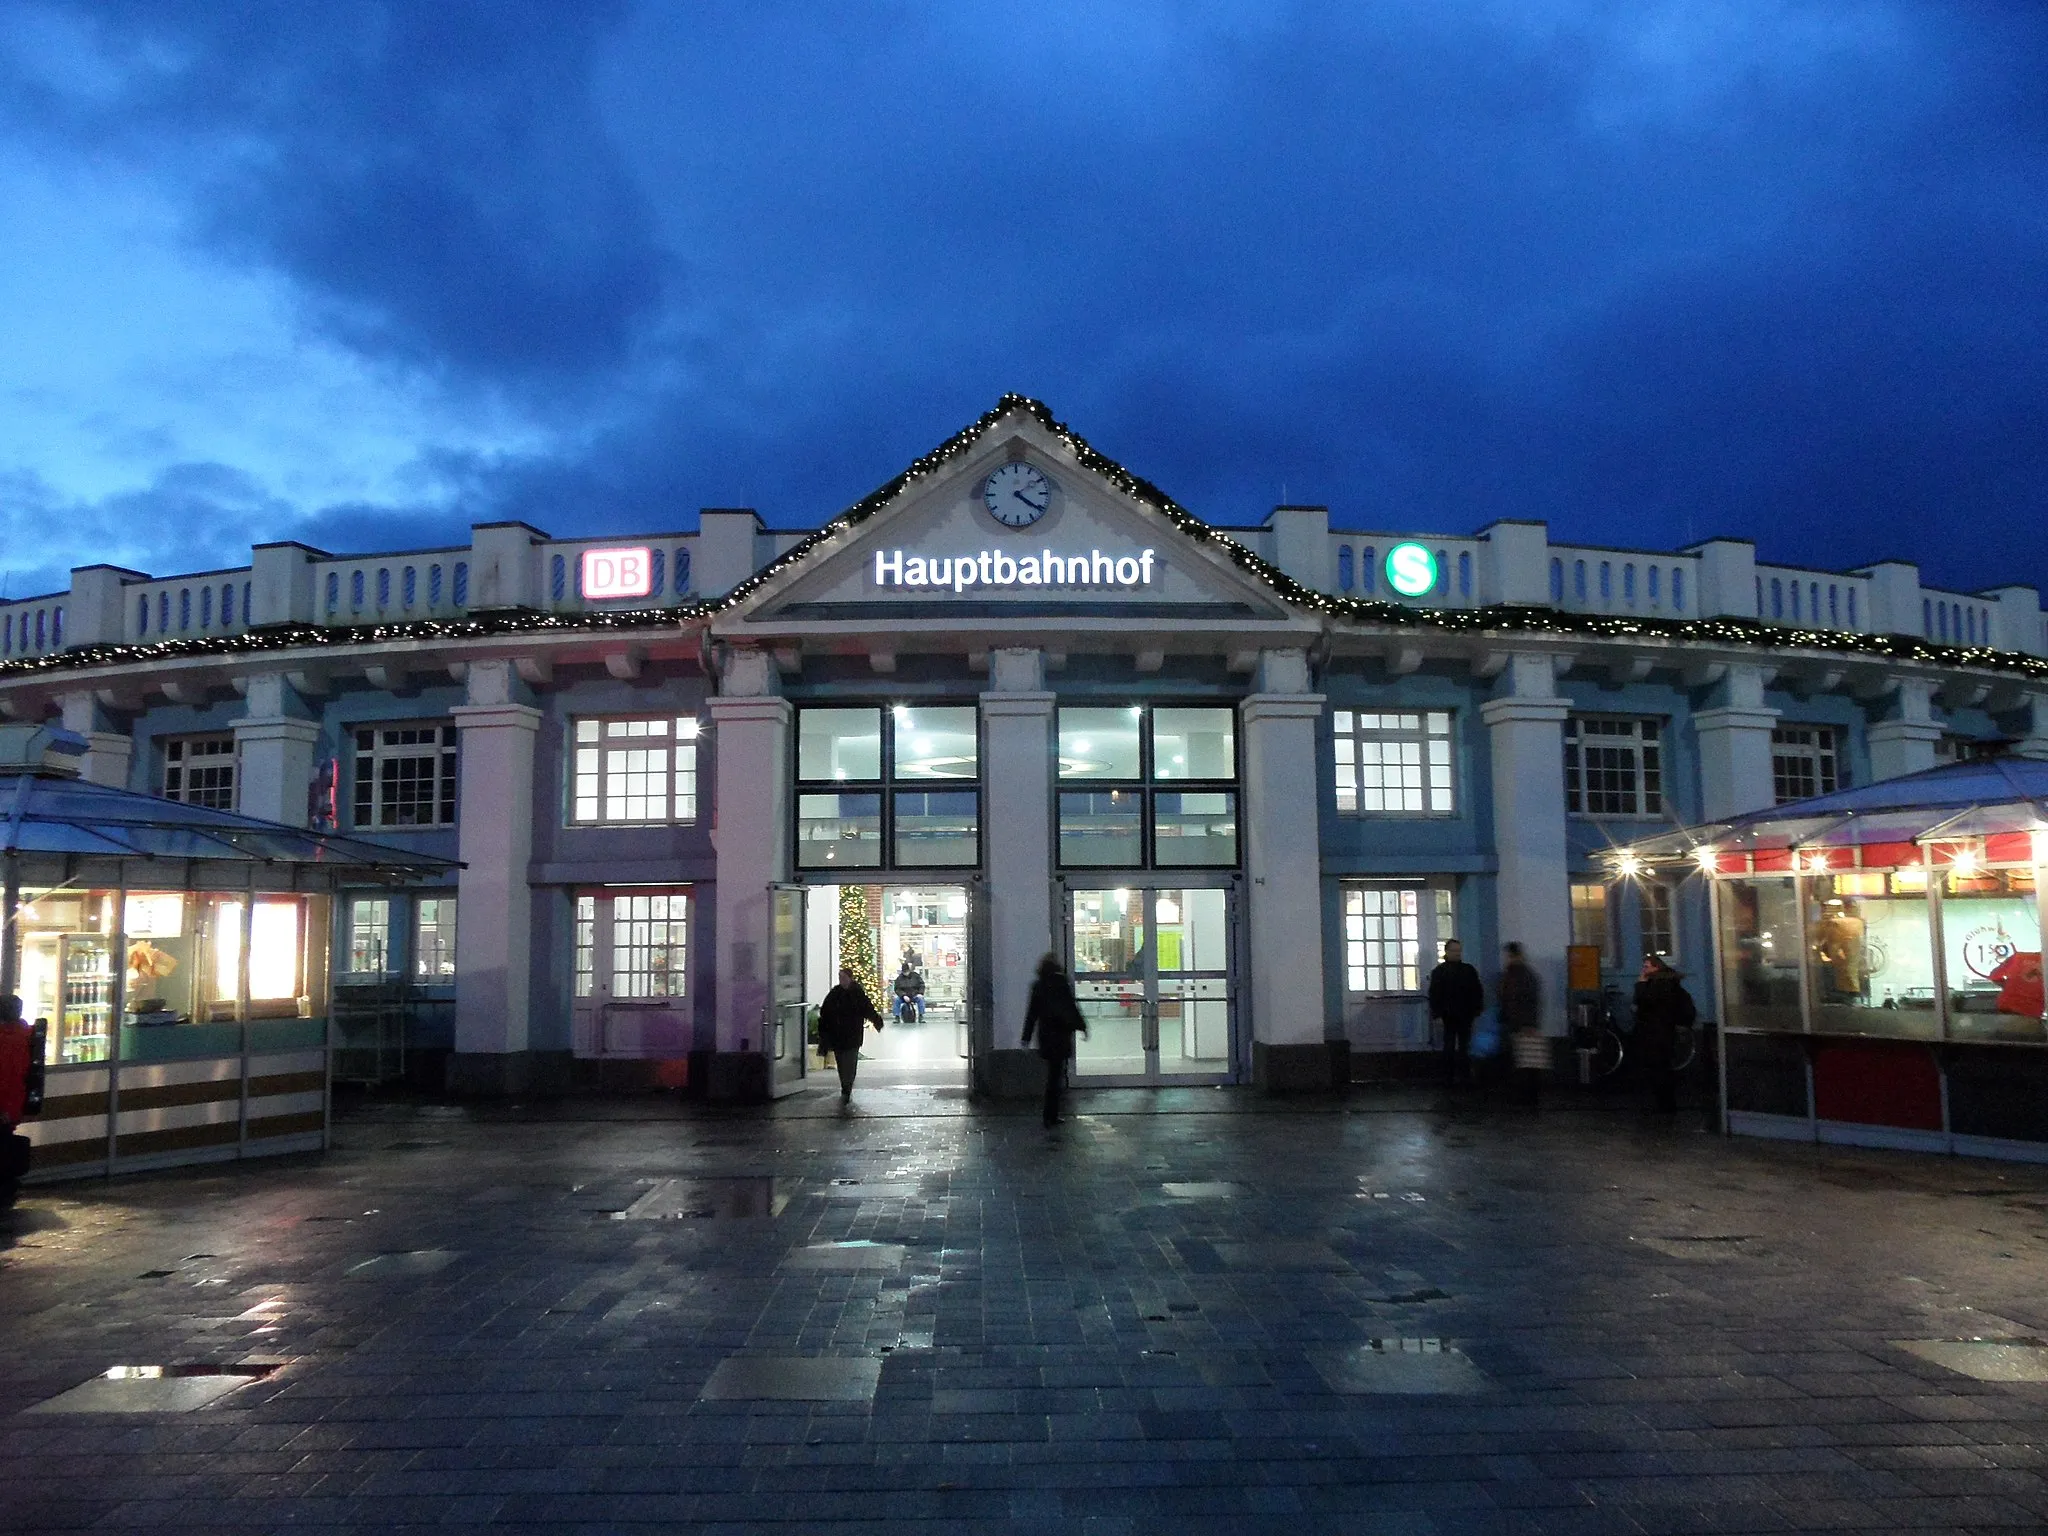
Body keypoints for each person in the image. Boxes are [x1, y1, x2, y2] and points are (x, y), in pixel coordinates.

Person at [1021, 952, 1087, 1129]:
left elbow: (1031, 1014)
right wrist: (1083, 1027)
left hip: (1046, 1036)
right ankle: (1052, 1115)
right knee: (1056, 1076)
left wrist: (1025, 1038)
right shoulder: (1061, 983)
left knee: (1052, 1075)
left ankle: (1048, 1115)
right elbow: (1072, 1008)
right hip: (1061, 1035)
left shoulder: (1038, 986)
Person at [1632, 953, 1696, 1114]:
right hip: (1664, 1030)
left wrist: (1640, 984)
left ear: (1656, 967)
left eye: (1647, 966)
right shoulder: (1670, 983)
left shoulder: (1657, 984)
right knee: (1662, 1066)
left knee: (1658, 1067)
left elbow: (1646, 1002)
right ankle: (1665, 1103)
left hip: (1656, 1031)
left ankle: (1664, 1104)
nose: (1644, 969)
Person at [818, 965, 883, 1105]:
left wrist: (876, 1020)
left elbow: (867, 1008)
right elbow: (825, 1012)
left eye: (843, 977)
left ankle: (847, 1087)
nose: (841, 980)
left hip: (852, 1034)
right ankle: (845, 1086)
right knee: (842, 1062)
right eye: (840, 977)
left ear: (850, 978)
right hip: (838, 1035)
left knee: (850, 1062)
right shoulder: (836, 993)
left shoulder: (856, 993)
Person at [1426, 939, 1485, 1084]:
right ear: (1447, 951)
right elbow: (1477, 991)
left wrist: (1437, 1013)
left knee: (1452, 1046)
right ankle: (1460, 1076)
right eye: (1455, 950)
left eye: (1458, 950)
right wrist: (1477, 1009)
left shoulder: (1440, 972)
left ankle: (1451, 1077)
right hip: (1459, 1014)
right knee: (1459, 1046)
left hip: (1454, 1014)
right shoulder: (1467, 970)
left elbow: (1435, 995)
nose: (1457, 953)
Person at [1499, 942, 1544, 1106]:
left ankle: (1527, 1098)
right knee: (1527, 1062)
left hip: (1521, 1024)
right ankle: (1527, 1098)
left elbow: (1523, 1000)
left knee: (1526, 1063)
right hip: (1520, 1023)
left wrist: (1527, 1023)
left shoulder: (1518, 976)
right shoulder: (1523, 975)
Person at [892, 958, 926, 1024]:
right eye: (904, 972)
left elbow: (922, 985)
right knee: (896, 1000)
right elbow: (897, 989)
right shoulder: (899, 978)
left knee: (920, 998)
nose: (906, 973)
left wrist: (920, 993)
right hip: (904, 996)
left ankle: (921, 1016)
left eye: (907, 971)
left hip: (915, 995)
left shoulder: (915, 976)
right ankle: (896, 1016)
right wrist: (903, 995)